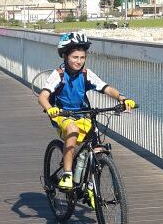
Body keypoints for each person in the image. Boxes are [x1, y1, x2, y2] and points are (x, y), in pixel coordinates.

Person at [37, 32, 136, 208]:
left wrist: (122, 98)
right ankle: (67, 174)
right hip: (62, 114)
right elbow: (43, 96)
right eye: (75, 57)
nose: (79, 61)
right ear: (65, 56)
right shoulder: (58, 75)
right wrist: (50, 108)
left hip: (84, 114)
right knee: (73, 131)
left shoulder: (86, 74)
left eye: (82, 57)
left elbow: (105, 88)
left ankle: (90, 186)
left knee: (96, 146)